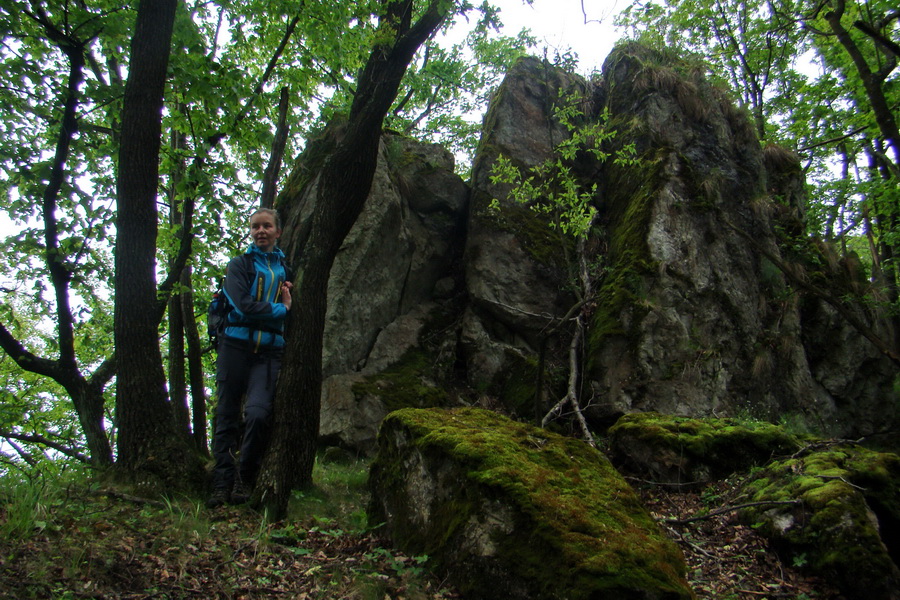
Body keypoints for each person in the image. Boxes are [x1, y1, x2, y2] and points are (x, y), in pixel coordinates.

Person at [207, 207, 293, 508]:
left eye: (267, 226)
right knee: (227, 414)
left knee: (257, 414)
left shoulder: (286, 270)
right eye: (255, 227)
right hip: (235, 346)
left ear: (277, 232)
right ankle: (221, 483)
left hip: (269, 352)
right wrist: (282, 309)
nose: (261, 231)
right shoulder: (239, 265)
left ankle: (244, 477)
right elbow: (243, 306)